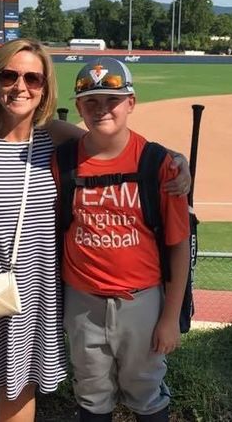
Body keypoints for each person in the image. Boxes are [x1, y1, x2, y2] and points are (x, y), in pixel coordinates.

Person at [0, 39, 190, 422]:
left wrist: (175, 160)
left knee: (19, 406)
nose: (20, 86)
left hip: (33, 297)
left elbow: (115, 142)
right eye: (9, 75)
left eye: (32, 78)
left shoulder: (53, 137)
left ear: (44, 87)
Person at [54, 57, 191, 422]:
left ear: (131, 102)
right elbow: (38, 126)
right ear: (79, 108)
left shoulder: (159, 164)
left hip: (142, 300)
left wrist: (170, 318)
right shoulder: (63, 161)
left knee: (145, 388)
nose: (102, 109)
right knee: (90, 391)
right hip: (82, 301)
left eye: (112, 100)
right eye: (91, 102)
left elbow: (178, 245)